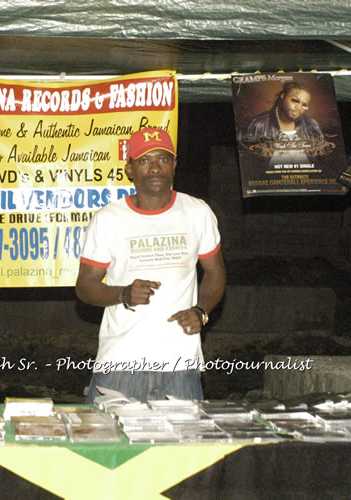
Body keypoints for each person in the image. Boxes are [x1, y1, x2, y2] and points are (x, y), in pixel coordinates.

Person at [75, 127, 226, 403]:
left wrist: (201, 311)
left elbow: (215, 271)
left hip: (179, 365)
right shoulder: (109, 219)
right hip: (121, 363)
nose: (155, 168)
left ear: (174, 165)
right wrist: (122, 293)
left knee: (185, 446)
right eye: (144, 161)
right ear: (130, 169)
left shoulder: (197, 212)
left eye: (163, 159)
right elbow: (85, 287)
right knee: (108, 444)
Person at [238, 81, 326, 167]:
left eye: (304, 105)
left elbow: (321, 159)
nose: (298, 107)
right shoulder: (258, 124)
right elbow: (247, 162)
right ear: (283, 96)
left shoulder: (311, 125)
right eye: (295, 101)